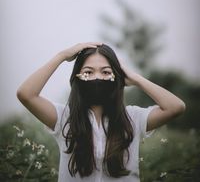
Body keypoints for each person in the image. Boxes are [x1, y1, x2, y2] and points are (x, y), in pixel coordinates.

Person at [17, 42, 186, 182]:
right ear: (77, 77)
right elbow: (26, 94)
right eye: (88, 72)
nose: (97, 77)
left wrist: (135, 78)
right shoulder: (63, 117)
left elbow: (176, 107)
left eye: (106, 72)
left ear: (116, 78)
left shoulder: (133, 118)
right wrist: (61, 56)